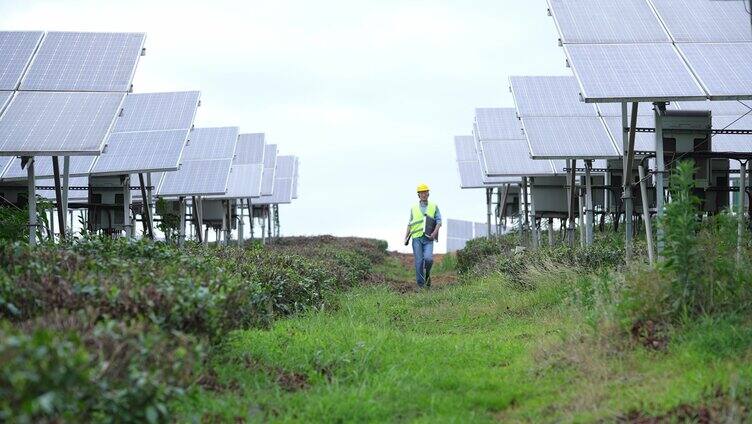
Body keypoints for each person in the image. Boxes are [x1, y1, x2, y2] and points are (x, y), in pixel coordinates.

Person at [404, 183, 442, 288]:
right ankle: (421, 286)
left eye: (426, 192)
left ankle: (427, 275)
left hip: (429, 238)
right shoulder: (413, 208)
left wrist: (434, 233)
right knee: (419, 261)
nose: (424, 194)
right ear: (418, 195)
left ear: (428, 194)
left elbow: (439, 221)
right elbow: (410, 223)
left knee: (429, 259)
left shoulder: (434, 206)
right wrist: (406, 237)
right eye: (422, 192)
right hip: (416, 238)